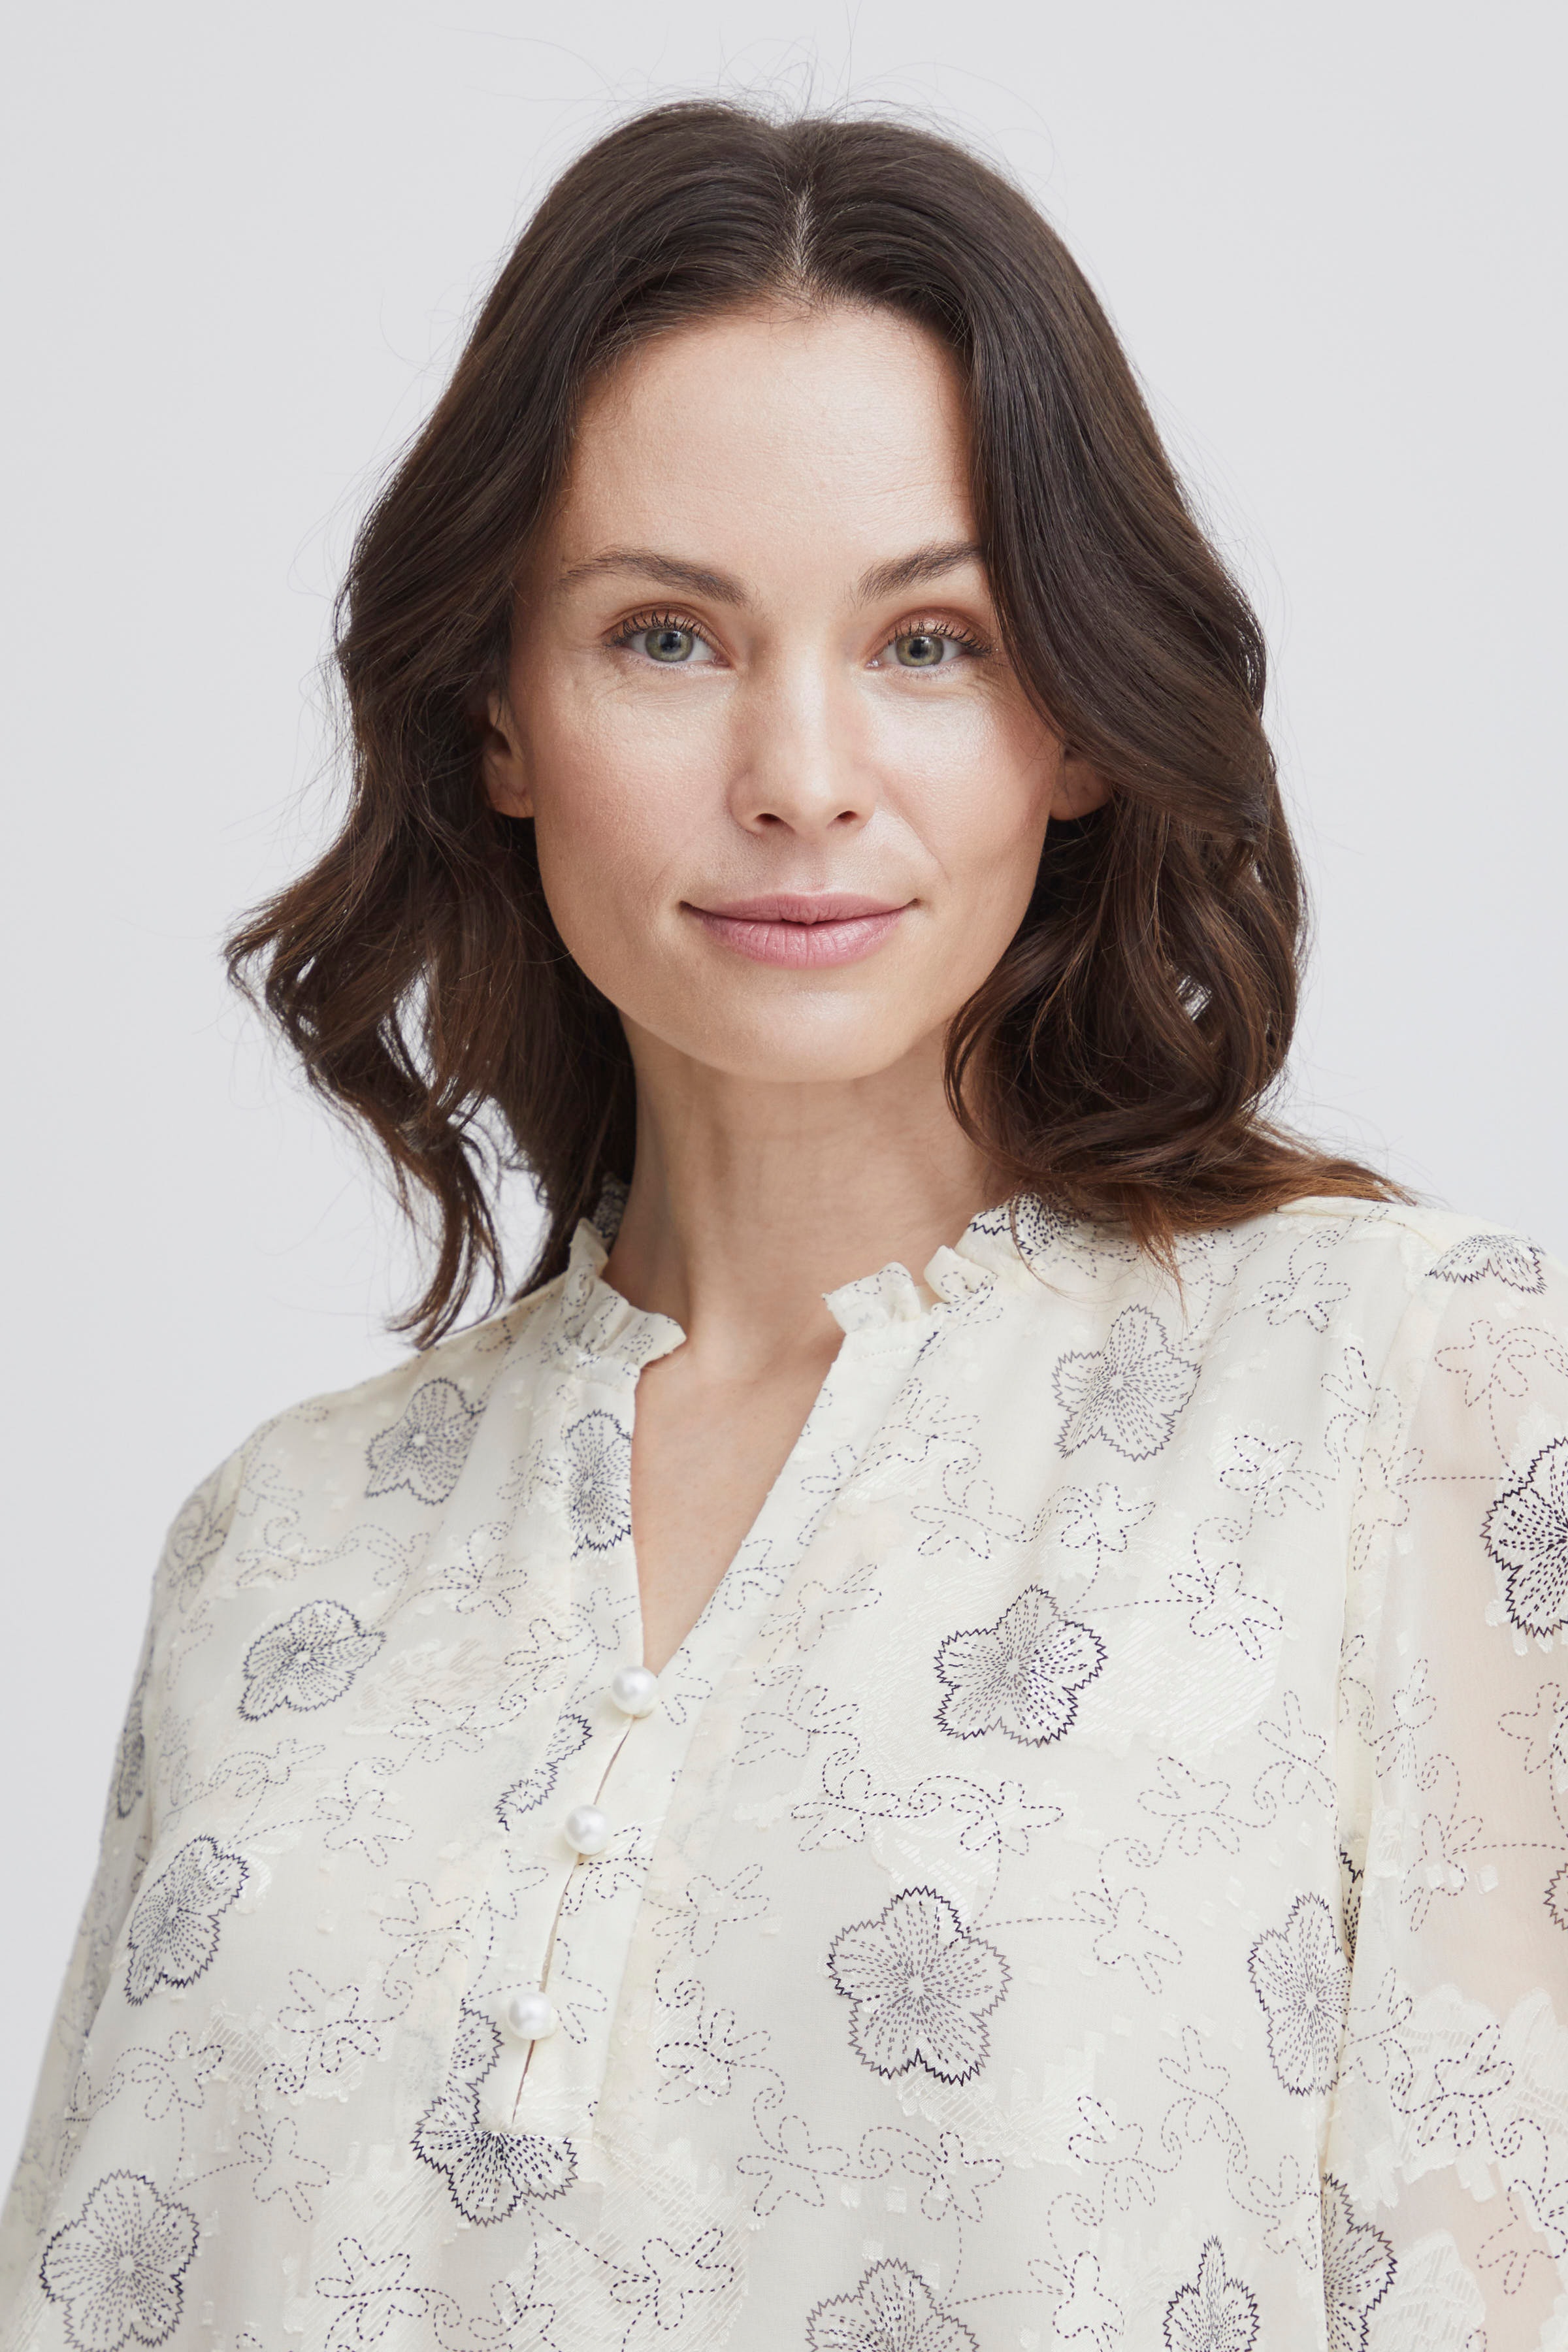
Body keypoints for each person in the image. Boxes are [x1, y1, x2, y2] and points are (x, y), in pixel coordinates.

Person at [4, 98, 1565, 2352]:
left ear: (1080, 723)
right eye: (667, 637)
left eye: (931, 642)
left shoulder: (1415, 1399)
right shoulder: (280, 1549)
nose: (802, 779)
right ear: (499, 717)